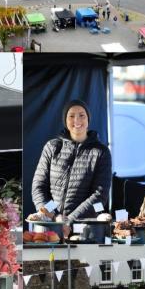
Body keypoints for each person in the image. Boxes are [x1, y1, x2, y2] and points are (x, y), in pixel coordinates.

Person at [31, 100, 112, 238]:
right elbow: (39, 186)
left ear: (88, 119)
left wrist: (69, 221)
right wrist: (54, 215)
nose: (77, 120)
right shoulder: (52, 147)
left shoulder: (101, 152)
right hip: (50, 226)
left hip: (84, 228)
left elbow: (99, 195)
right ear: (65, 120)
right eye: (71, 116)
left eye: (82, 115)